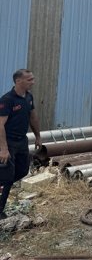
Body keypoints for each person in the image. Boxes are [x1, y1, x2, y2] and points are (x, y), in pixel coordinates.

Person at [0, 69, 42, 220]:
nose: (33, 82)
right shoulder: (7, 100)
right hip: (8, 143)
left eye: (33, 79)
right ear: (19, 81)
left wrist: (38, 136)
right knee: (6, 177)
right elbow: (0, 125)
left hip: (22, 141)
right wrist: (3, 149)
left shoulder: (29, 97)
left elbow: (33, 117)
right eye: (29, 79)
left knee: (23, 170)